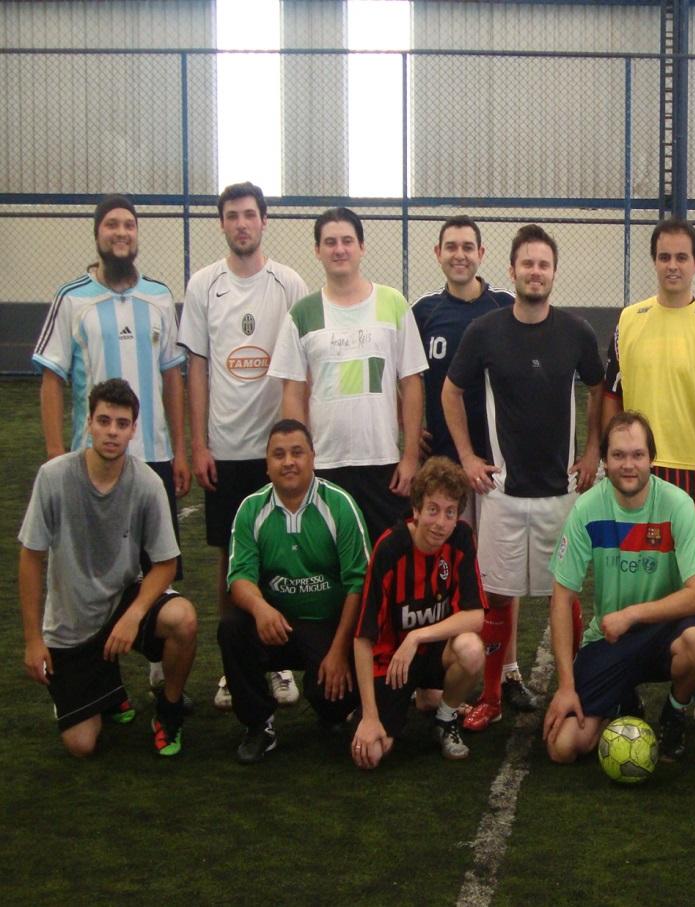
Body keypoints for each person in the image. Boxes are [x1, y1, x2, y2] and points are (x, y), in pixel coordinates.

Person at [443, 224, 604, 731]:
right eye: (527, 263)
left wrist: (592, 451)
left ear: (554, 273)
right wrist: (468, 457)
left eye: (544, 264)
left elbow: (600, 390)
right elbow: (450, 392)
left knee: (566, 595)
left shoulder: (576, 332)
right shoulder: (484, 331)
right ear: (511, 270)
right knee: (496, 597)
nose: (535, 272)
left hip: (562, 492)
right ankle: (492, 696)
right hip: (503, 493)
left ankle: (571, 691)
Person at [33, 194, 190, 695]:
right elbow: (52, 378)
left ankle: (159, 669)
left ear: (137, 234)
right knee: (91, 569)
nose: (121, 233)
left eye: (129, 225)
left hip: (153, 458)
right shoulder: (72, 298)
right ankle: (99, 678)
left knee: (158, 567)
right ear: (97, 233)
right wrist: (56, 452)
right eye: (111, 225)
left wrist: (180, 450)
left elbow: (172, 377)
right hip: (92, 464)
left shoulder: (159, 296)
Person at [601, 217, 695, 735]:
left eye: (682, 257)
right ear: (654, 260)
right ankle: (622, 689)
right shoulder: (629, 320)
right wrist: (609, 463)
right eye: (664, 256)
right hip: (636, 475)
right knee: (628, 579)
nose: (673, 266)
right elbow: (611, 395)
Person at [180, 181, 310, 711]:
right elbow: (197, 368)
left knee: (284, 555)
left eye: (250, 214)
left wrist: (300, 440)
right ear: (222, 223)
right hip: (226, 449)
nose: (241, 223)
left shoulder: (289, 283)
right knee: (230, 559)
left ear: (264, 221)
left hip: (278, 451)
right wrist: (199, 444)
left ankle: (278, 662)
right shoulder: (203, 285)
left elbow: (303, 363)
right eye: (232, 215)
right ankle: (233, 668)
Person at [19, 378, 198, 757]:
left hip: (123, 600)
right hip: (72, 623)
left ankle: (168, 710)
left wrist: (134, 615)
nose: (112, 431)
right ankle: (110, 692)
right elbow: (31, 558)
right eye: (104, 421)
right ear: (89, 423)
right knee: (81, 745)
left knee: (183, 619)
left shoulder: (147, 483)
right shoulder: (53, 477)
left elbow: (166, 564)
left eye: (121, 423)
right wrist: (33, 640)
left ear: (133, 430)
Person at [542, 411, 695, 764]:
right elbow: (561, 599)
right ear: (605, 461)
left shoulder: (677, 505)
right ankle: (623, 702)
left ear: (652, 458)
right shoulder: (587, 509)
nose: (628, 465)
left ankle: (674, 711)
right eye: (618, 455)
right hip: (610, 638)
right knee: (563, 747)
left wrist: (632, 614)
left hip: (666, 633)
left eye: (637, 455)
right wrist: (566, 687)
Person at [268, 207, 427, 544]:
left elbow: (411, 383)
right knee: (329, 559)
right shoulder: (302, 313)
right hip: (325, 463)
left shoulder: (393, 303)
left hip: (383, 463)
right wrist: (301, 458)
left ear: (362, 247)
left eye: (347, 241)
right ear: (317, 250)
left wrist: (410, 457)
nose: (339, 249)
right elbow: (293, 392)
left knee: (386, 557)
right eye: (330, 242)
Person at [217, 419, 371, 763]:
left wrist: (338, 651)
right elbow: (238, 578)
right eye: (279, 454)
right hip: (275, 624)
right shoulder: (251, 508)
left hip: (327, 626)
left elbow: (359, 584)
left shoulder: (340, 505)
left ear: (313, 457)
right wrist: (261, 609)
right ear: (267, 464)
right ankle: (259, 725)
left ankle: (334, 709)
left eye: (297, 453)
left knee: (334, 706)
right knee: (232, 627)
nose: (288, 462)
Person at [350, 458, 488, 769]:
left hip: (433, 652)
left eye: (450, 513)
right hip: (393, 661)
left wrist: (416, 636)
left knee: (471, 649)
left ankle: (445, 717)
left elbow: (475, 616)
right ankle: (394, 703)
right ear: (416, 509)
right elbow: (362, 637)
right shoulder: (390, 549)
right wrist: (370, 716)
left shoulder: (461, 538)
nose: (440, 523)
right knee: (372, 755)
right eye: (433, 510)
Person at [413, 215, 514, 465]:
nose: (460, 255)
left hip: (500, 456)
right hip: (442, 455)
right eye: (451, 247)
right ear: (438, 253)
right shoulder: (423, 312)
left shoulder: (507, 305)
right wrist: (408, 425)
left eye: (468, 247)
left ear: (480, 253)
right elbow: (396, 374)